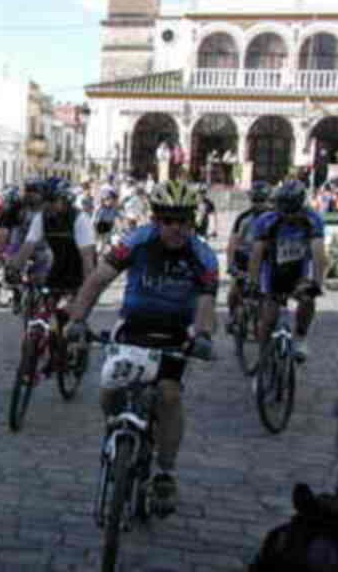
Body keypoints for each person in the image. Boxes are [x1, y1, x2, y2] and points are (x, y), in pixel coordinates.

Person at [65, 180, 218, 515]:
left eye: (182, 221)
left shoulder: (202, 255)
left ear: (192, 221)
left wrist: (204, 336)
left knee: (169, 396)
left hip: (175, 335)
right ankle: (119, 434)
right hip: (133, 328)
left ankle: (164, 473)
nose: (175, 228)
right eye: (168, 220)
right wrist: (78, 320)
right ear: (156, 219)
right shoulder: (135, 242)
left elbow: (206, 302)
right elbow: (97, 280)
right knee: (108, 392)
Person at [248, 179, 326, 362]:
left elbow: (318, 254)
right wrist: (252, 281)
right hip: (273, 272)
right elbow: (256, 254)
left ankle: (300, 337)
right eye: (285, 211)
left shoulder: (312, 219)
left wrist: (316, 283)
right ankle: (263, 359)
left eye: (294, 210)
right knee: (269, 317)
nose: (289, 215)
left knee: (308, 299)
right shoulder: (267, 220)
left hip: (298, 272)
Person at [226, 181, 271, 335]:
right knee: (235, 290)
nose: (259, 204)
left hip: (266, 260)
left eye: (262, 200)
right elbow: (233, 243)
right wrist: (231, 264)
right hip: (244, 258)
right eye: (255, 201)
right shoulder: (243, 218)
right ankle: (232, 316)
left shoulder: (275, 218)